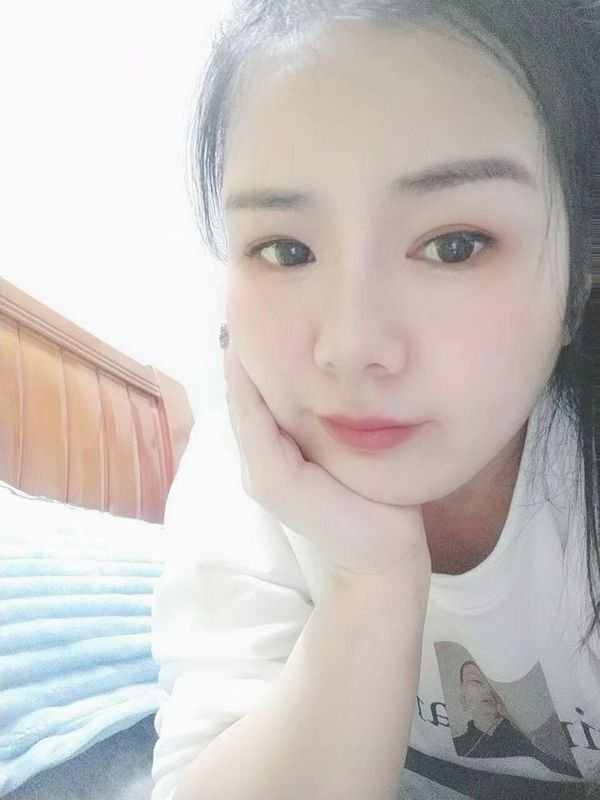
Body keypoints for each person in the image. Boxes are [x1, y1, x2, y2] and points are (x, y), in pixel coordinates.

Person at [150, 1, 600, 798]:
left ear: (579, 284)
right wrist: (370, 586)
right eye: (285, 250)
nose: (350, 345)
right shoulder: (246, 473)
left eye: (454, 246)